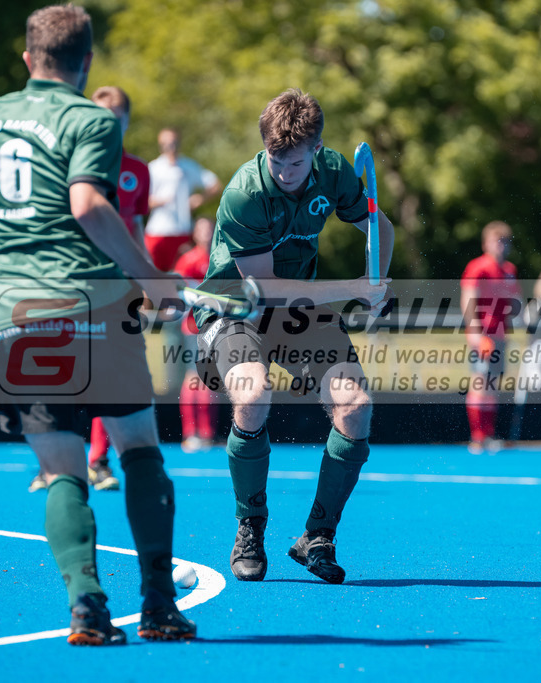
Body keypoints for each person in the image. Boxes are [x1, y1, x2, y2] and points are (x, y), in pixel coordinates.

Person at [0, 5, 195, 644]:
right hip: (94, 308)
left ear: (28, 58)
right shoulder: (91, 118)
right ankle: (160, 606)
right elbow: (88, 206)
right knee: (138, 447)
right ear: (86, 62)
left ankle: (86, 608)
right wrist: (154, 280)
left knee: (62, 470)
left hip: (13, 319)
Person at [193, 88, 394, 585]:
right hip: (236, 307)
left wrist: (377, 282)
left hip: (301, 310)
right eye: (277, 160)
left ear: (317, 150)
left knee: (356, 405)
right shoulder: (246, 192)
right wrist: (352, 288)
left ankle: (317, 536)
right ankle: (250, 526)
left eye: (296, 162)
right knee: (253, 392)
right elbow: (264, 291)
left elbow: (379, 226)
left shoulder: (334, 170)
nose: (286, 171)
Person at [80, 85, 152, 493]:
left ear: (126, 121)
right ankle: (59, 459)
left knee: (114, 372)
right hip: (78, 282)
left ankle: (99, 459)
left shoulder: (137, 171)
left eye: (116, 117)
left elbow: (136, 228)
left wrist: (148, 278)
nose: (108, 124)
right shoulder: (71, 166)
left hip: (121, 285)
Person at [460, 221, 523, 454]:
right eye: (497, 240)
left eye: (505, 241)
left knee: (493, 385)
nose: (502, 246)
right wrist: (474, 331)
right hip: (483, 335)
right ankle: (477, 438)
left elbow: (515, 302)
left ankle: (488, 435)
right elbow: (468, 298)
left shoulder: (510, 270)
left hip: (501, 336)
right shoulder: (478, 267)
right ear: (486, 243)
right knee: (480, 382)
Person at [145, 127, 221, 271]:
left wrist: (200, 198)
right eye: (166, 144)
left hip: (183, 230)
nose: (171, 147)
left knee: (181, 277)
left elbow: (214, 184)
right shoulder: (153, 168)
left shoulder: (188, 165)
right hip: (158, 231)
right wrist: (161, 201)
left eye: (174, 143)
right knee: (151, 277)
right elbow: (141, 201)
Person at [174, 216, 217, 452]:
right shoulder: (188, 261)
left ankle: (207, 433)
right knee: (194, 379)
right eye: (202, 229)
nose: (207, 233)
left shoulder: (220, 258)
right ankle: (191, 433)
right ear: (195, 234)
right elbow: (179, 293)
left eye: (210, 228)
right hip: (193, 328)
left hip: (215, 328)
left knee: (210, 380)